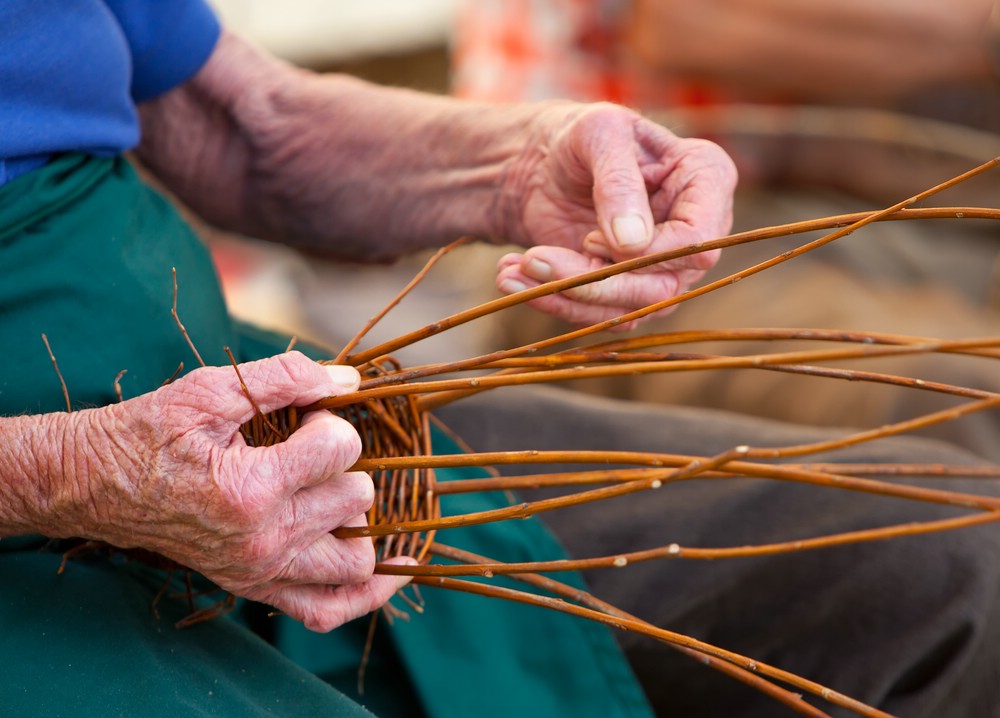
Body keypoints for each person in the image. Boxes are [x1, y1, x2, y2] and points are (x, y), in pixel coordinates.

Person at [1, 3, 999, 717]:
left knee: (958, 567)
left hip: (248, 412)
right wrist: (69, 472)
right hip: (48, 523)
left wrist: (520, 164)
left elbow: (238, 121)